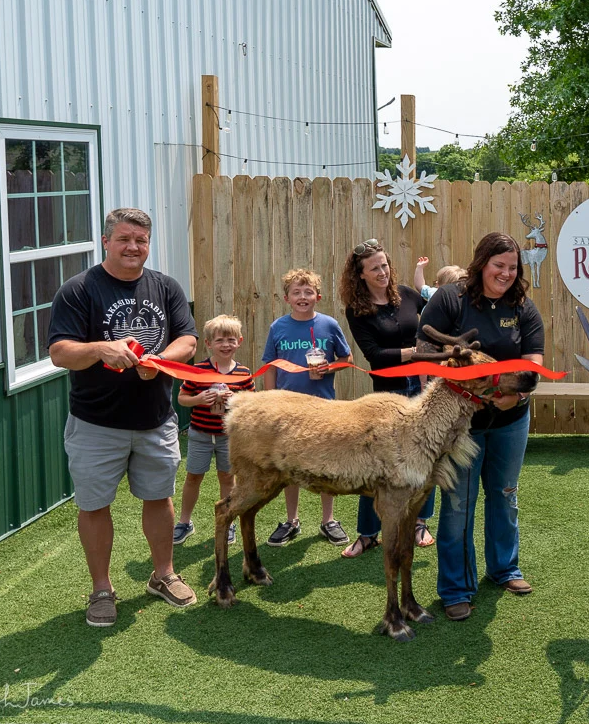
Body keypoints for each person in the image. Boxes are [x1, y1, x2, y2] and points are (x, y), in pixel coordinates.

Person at [47, 207, 200, 627]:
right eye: (125, 239)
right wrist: (100, 349)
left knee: (158, 497)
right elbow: (60, 352)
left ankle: (163, 574)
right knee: (95, 505)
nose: (133, 247)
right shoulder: (78, 290)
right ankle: (101, 589)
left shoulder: (165, 287)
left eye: (141, 240)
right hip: (96, 424)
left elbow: (188, 337)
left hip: (155, 419)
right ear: (106, 241)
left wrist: (162, 362)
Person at [417, 232, 545, 622]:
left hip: (509, 421)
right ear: (481, 263)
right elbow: (425, 356)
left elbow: (533, 362)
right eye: (498, 266)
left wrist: (517, 397)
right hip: (461, 428)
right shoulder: (449, 299)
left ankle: (505, 569)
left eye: (512, 268)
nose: (505, 274)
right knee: (458, 506)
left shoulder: (522, 307)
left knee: (504, 494)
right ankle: (456, 588)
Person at [339, 238, 435, 557]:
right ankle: (368, 533)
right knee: (379, 465)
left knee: (424, 457)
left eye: (385, 265)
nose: (382, 272)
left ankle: (420, 521)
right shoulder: (357, 310)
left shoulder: (407, 294)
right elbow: (375, 356)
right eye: (374, 268)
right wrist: (414, 352)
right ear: (360, 275)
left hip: (422, 387)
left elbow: (437, 316)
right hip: (388, 395)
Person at [261, 268, 353, 548]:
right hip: (288, 409)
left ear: (318, 296)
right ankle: (292, 520)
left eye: (308, 292)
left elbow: (346, 358)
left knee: (327, 464)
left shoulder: (329, 325)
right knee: (290, 468)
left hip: (323, 406)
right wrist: (270, 401)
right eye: (296, 292)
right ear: (287, 298)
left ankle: (328, 520)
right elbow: (270, 365)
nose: (303, 297)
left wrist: (328, 368)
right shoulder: (278, 327)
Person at [174, 314, 255, 546]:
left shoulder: (244, 373)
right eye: (219, 340)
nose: (226, 345)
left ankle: (226, 522)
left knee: (227, 479)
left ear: (239, 341)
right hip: (200, 434)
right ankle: (184, 522)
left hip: (229, 438)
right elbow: (182, 398)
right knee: (193, 477)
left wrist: (236, 399)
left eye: (231, 340)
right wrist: (200, 398)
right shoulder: (198, 370)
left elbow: (252, 403)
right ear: (208, 343)